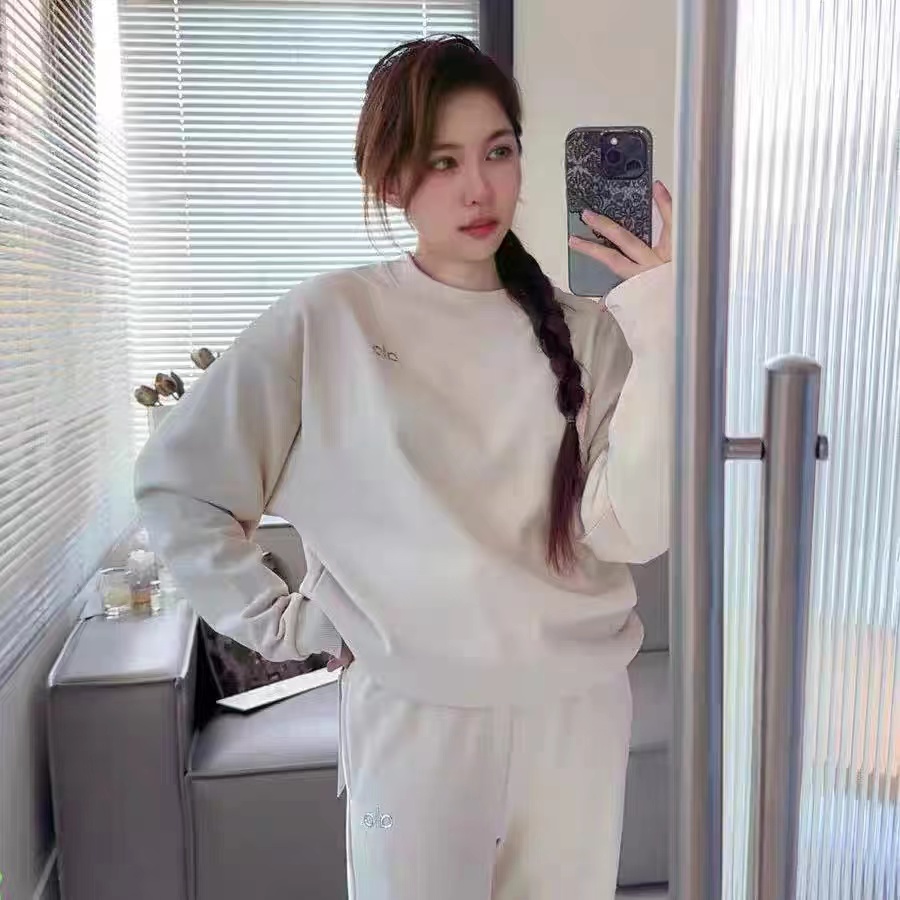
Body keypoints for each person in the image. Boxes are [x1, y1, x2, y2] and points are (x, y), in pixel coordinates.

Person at [134, 34, 673, 900]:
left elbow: (631, 531)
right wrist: (287, 624)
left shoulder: (594, 331)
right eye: (441, 161)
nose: (478, 188)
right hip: (416, 718)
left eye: (498, 151)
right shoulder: (330, 319)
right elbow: (181, 486)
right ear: (390, 181)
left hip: (578, 712)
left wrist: (663, 317)